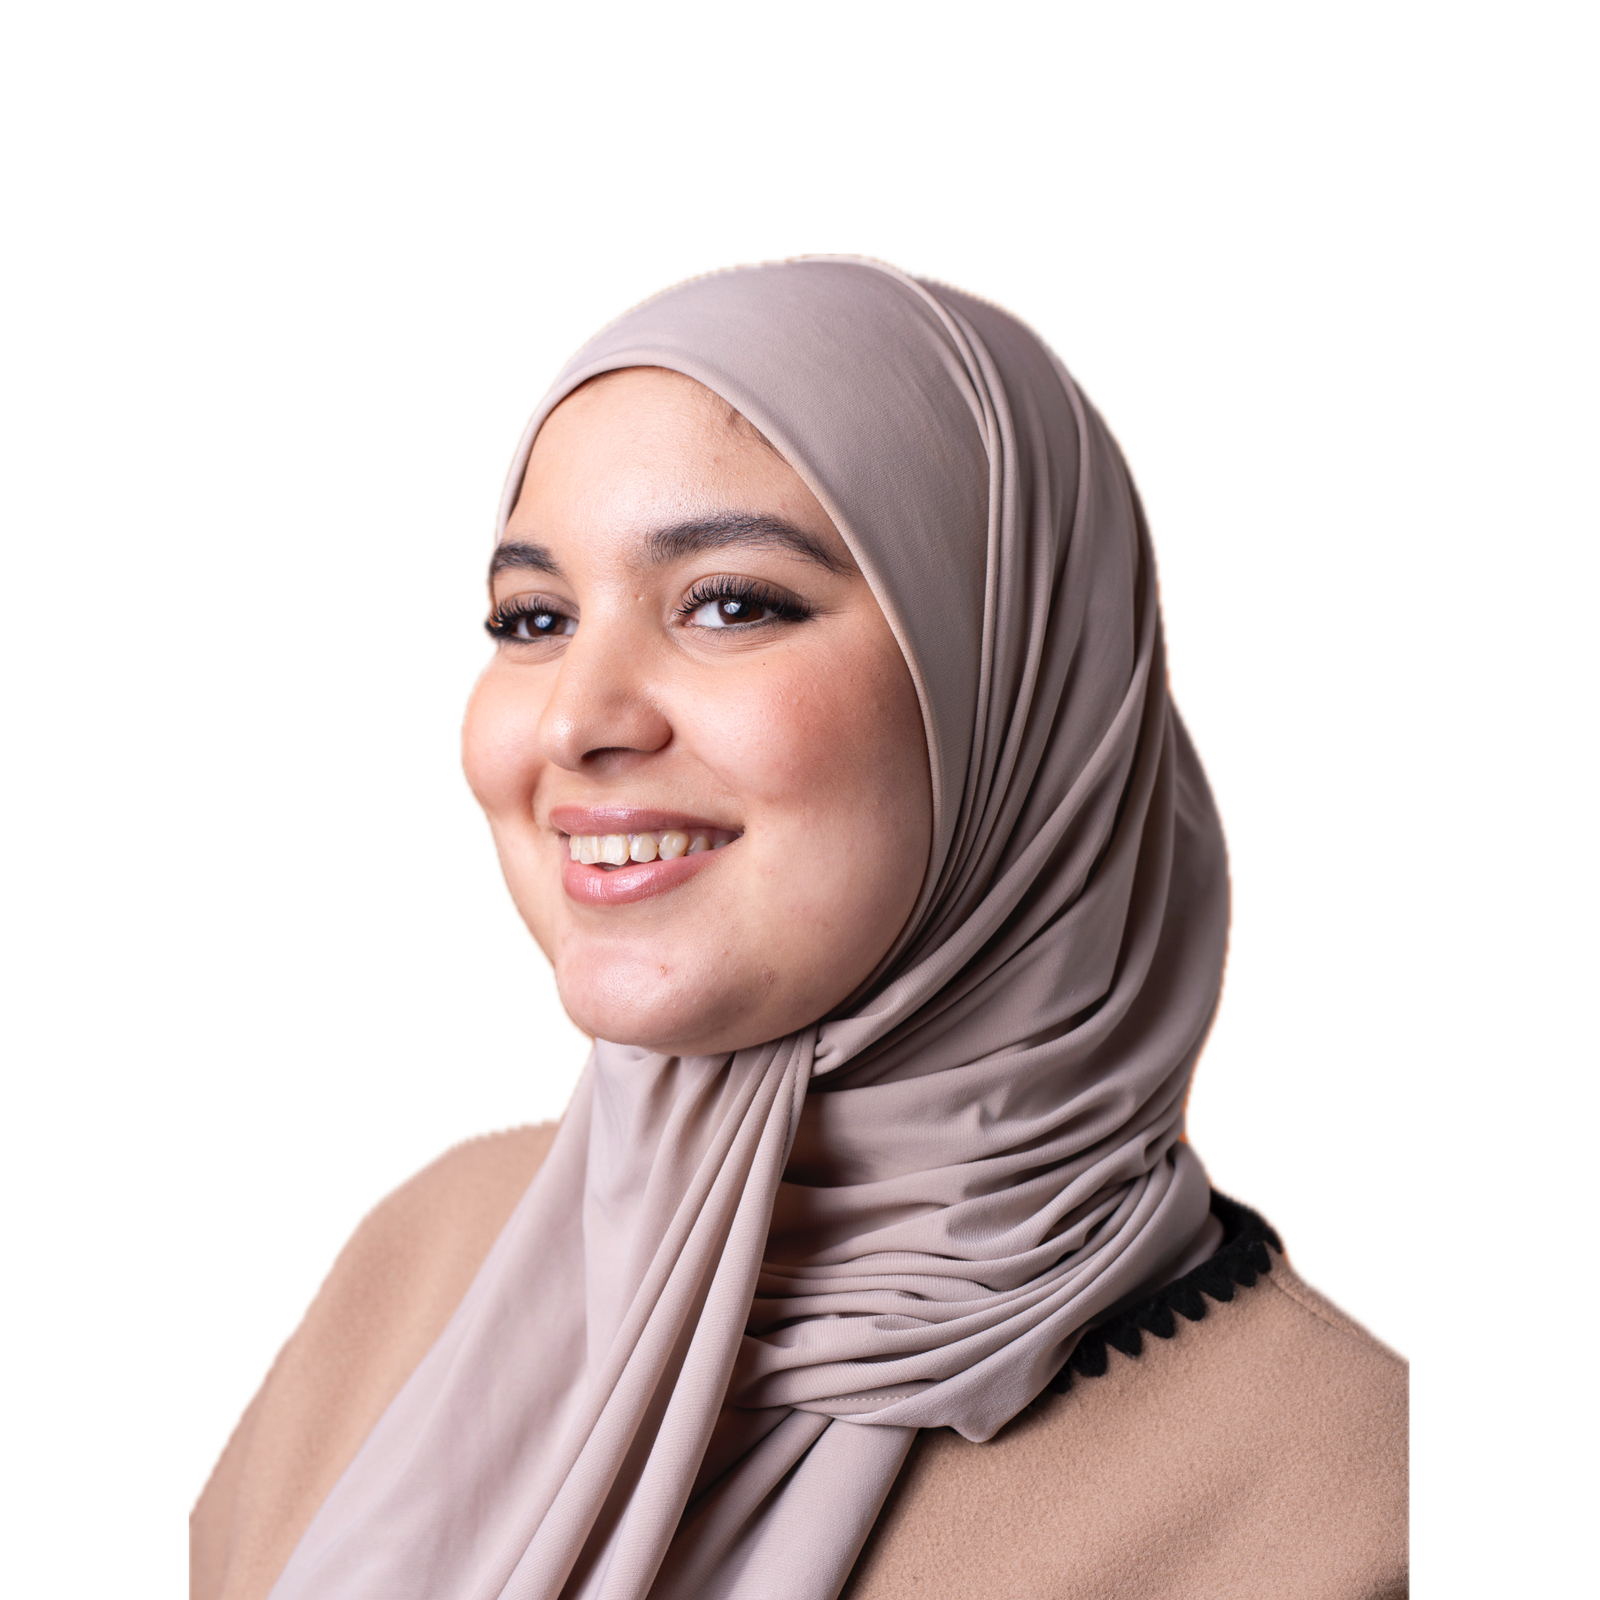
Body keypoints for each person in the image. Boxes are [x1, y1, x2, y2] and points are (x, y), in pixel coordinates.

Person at [188, 255, 1410, 1599]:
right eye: (534, 618)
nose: (577, 719)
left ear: (1014, 685)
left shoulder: (1344, 1509)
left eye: (732, 602)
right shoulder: (425, 1256)